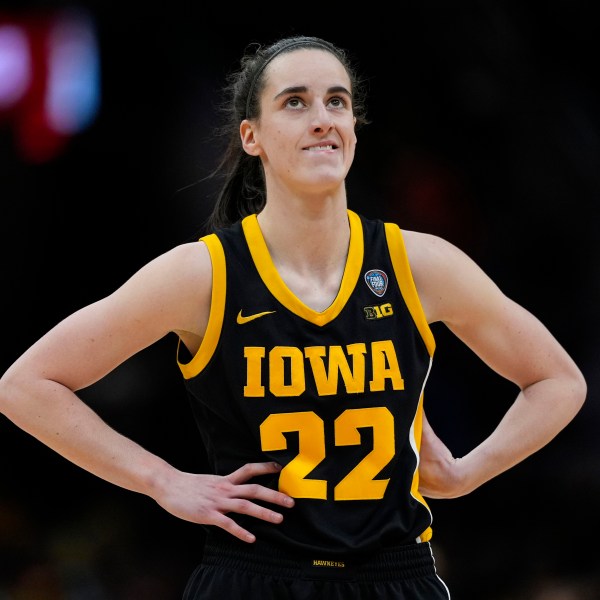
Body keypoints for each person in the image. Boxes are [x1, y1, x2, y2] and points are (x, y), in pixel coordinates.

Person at [0, 34, 587, 600]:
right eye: (295, 102)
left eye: (338, 101)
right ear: (251, 136)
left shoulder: (419, 263)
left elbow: (559, 381)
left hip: (396, 572)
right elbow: (26, 386)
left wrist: (466, 473)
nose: (323, 117)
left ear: (355, 128)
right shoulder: (204, 274)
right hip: (253, 572)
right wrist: (162, 480)